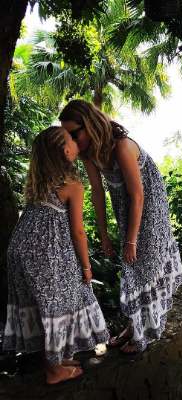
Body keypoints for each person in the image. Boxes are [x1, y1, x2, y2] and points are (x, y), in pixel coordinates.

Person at [59, 100, 182, 354]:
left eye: (75, 132)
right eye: (68, 135)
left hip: (148, 205)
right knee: (130, 267)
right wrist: (104, 235)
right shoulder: (89, 154)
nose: (73, 139)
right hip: (126, 206)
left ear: (90, 124)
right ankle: (134, 325)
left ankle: (144, 334)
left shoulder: (122, 146)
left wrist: (131, 240)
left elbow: (139, 194)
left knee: (142, 264)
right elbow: (97, 193)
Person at [3, 127, 109, 384]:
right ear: (64, 151)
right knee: (56, 305)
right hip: (44, 253)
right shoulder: (72, 185)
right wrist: (86, 268)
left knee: (43, 305)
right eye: (72, 139)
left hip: (20, 249)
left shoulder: (41, 182)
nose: (76, 141)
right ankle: (54, 371)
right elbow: (78, 232)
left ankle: (58, 358)